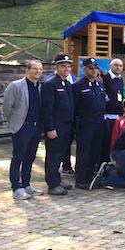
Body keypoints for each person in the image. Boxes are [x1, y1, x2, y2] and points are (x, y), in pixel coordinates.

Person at [3, 60, 45, 200]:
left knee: (30, 157)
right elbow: (7, 108)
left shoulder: (40, 87)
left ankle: (26, 184)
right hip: (22, 126)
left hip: (36, 127)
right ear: (27, 70)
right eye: (34, 68)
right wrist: (15, 124)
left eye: (40, 69)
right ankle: (16, 187)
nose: (38, 71)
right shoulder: (16, 86)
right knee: (18, 157)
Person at [40, 54, 76, 196]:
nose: (66, 69)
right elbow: (46, 108)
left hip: (67, 126)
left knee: (60, 155)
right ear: (56, 67)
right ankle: (52, 184)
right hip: (56, 126)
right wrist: (50, 128)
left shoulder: (66, 83)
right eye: (63, 66)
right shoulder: (50, 84)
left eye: (68, 66)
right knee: (53, 156)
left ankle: (57, 180)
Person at [73, 58, 108, 190]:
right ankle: (81, 179)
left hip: (99, 121)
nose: (94, 70)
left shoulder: (100, 84)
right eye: (91, 68)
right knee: (84, 152)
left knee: (95, 151)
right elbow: (75, 107)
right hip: (85, 121)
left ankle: (90, 178)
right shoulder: (78, 85)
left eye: (95, 68)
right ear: (85, 69)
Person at [102, 58, 125, 162]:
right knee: (106, 141)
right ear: (111, 66)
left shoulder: (120, 79)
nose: (118, 67)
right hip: (107, 116)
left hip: (118, 116)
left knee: (115, 141)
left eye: (120, 66)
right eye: (116, 65)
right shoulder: (105, 78)